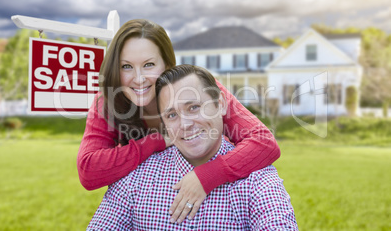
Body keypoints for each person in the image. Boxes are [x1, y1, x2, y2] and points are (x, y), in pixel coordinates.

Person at [77, 19, 281, 221]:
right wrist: (157, 141)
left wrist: (208, 176)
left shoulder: (197, 90)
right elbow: (89, 171)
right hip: (152, 195)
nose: (138, 78)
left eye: (148, 64)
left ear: (167, 64)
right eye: (126, 66)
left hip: (217, 190)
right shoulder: (108, 102)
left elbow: (264, 142)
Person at [87, 65, 298, 230]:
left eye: (194, 107)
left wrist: (209, 176)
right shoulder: (136, 177)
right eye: (172, 115)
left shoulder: (258, 181)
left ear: (221, 104)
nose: (185, 124)